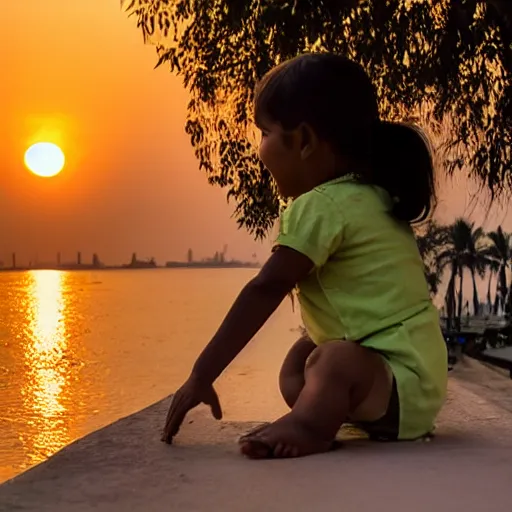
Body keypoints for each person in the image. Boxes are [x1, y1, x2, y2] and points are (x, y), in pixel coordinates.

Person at [161, 53, 448, 459]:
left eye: (265, 132)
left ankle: (309, 428)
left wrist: (201, 375)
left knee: (332, 360)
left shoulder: (322, 205)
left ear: (305, 141)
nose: (260, 148)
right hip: (412, 383)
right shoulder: (367, 195)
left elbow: (267, 287)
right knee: (302, 359)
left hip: (397, 379)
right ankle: (320, 413)